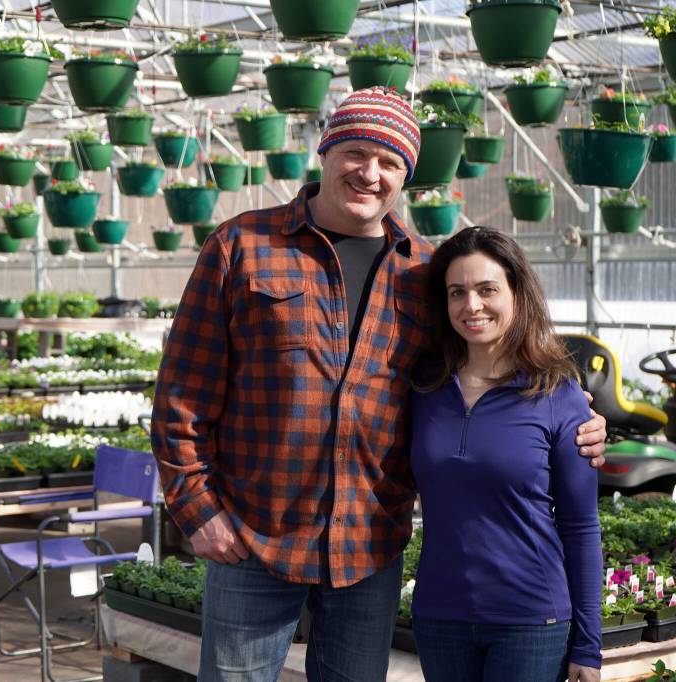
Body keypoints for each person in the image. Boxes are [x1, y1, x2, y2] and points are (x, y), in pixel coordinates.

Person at [151, 87, 607, 681]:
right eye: (356, 153)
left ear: (405, 178)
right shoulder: (243, 247)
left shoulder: (422, 271)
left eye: (390, 162)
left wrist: (572, 415)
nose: (370, 173)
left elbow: (477, 367)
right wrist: (197, 509)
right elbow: (182, 393)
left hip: (367, 550)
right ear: (325, 152)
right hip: (255, 539)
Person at [410, 226, 601, 682]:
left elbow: (580, 527)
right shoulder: (423, 388)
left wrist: (588, 646)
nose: (472, 305)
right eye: (457, 292)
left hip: (530, 622)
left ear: (517, 294)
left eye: (487, 289)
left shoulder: (557, 394)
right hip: (439, 617)